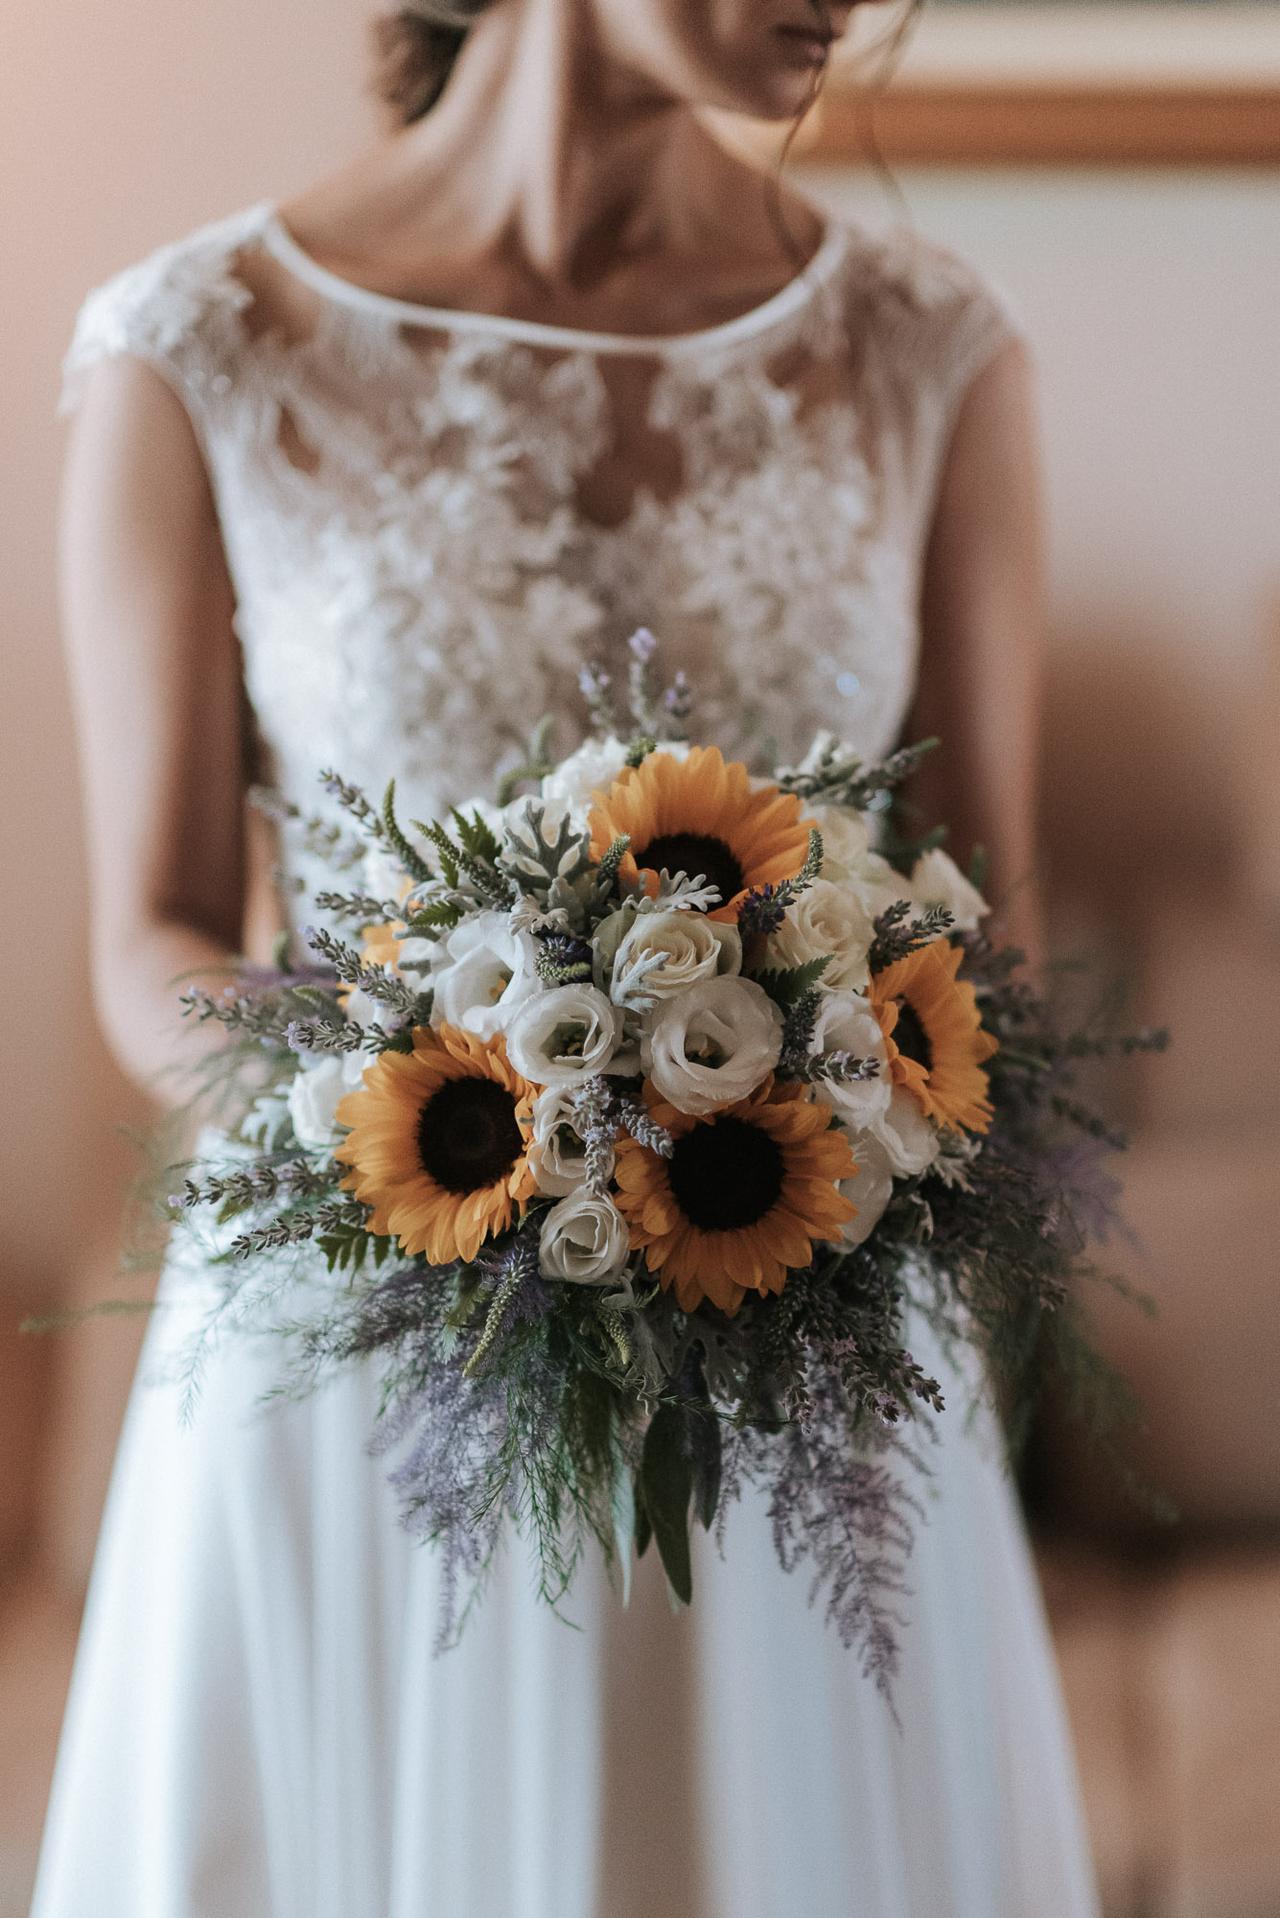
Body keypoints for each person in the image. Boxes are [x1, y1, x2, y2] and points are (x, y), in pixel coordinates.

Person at [34, 1, 1099, 1911]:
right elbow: (153, 929)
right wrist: (433, 1137)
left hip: (805, 1371)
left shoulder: (930, 352)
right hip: (350, 1341)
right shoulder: (194, 347)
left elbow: (983, 936)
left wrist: (795, 1095)